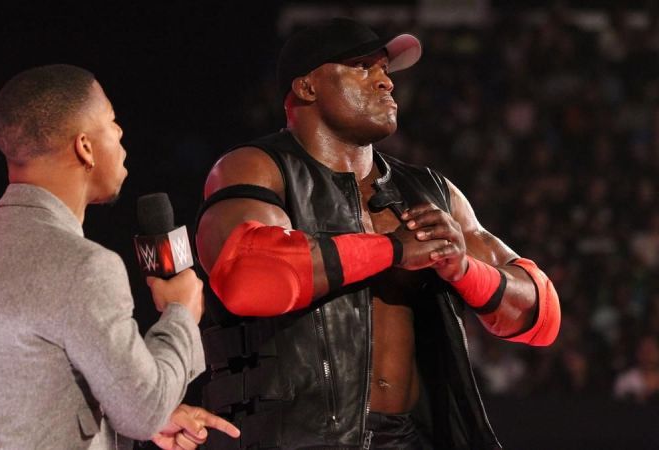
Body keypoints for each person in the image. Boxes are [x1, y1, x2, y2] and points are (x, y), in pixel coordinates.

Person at [194, 18, 561, 449]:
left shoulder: (431, 191)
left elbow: (542, 315)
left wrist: (464, 269)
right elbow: (248, 276)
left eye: (385, 69)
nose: (386, 82)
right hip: (292, 438)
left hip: (412, 439)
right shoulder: (256, 167)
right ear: (308, 87)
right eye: (362, 66)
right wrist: (390, 249)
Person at [0, 64, 239, 449]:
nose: (121, 132)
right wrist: (181, 315)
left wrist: (117, 412)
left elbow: (18, 402)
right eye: (111, 120)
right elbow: (145, 409)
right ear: (85, 146)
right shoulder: (84, 266)